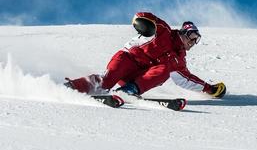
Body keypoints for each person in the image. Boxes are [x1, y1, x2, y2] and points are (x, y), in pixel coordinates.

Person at [64, 12, 226, 98]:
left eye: (196, 40)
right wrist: (142, 23)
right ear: (183, 33)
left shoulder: (179, 59)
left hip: (137, 77)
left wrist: (209, 89)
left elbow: (186, 80)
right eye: (191, 37)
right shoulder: (164, 32)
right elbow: (147, 17)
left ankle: (128, 91)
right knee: (105, 82)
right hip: (127, 59)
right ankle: (72, 87)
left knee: (164, 71)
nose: (192, 42)